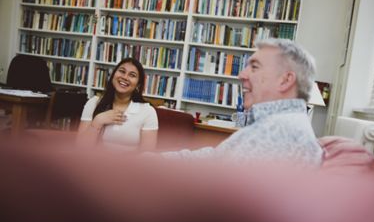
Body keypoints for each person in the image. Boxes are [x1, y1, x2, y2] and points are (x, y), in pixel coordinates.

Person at [163, 38, 323, 165]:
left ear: (285, 80)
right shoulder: (280, 124)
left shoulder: (278, 132)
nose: (241, 75)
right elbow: (214, 159)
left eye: (254, 67)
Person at [77, 57, 158, 151]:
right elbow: (80, 147)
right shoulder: (93, 103)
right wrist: (97, 121)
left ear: (138, 84)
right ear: (113, 75)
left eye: (132, 75)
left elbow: (147, 155)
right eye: (122, 71)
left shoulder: (148, 111)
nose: (125, 77)